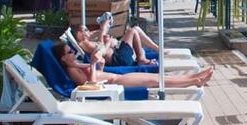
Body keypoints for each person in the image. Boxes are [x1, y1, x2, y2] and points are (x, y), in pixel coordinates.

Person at [52, 40, 213, 87]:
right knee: (157, 81)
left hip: (117, 78)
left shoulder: (76, 66)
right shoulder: (72, 71)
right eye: (69, 52)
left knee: (158, 78)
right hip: (116, 82)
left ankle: (194, 78)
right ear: (63, 59)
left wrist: (99, 63)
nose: (73, 53)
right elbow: (91, 85)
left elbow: (97, 72)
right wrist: (93, 64)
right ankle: (194, 81)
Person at [72, 20, 159, 67]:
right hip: (119, 58)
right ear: (79, 34)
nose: (89, 31)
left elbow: (100, 45)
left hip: (118, 54)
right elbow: (101, 51)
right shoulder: (84, 44)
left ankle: (153, 50)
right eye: (86, 30)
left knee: (135, 30)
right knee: (132, 31)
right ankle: (142, 59)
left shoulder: (86, 43)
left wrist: (103, 30)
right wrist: (105, 35)